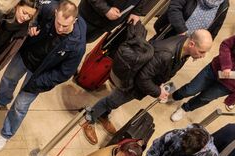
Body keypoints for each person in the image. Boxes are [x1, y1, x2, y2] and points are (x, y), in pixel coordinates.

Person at [0, 0, 87, 152]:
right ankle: (1, 101)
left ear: (74, 21)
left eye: (65, 26)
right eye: (58, 23)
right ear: (55, 13)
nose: (60, 28)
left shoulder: (77, 45)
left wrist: (40, 83)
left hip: (41, 74)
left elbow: (64, 73)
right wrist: (33, 24)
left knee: (20, 106)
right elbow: (35, 13)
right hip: (25, 55)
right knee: (8, 79)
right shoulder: (48, 8)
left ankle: (5, 134)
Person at [82, 30, 213, 144]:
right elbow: (142, 78)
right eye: (201, 52)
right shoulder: (166, 54)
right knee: (111, 101)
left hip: (142, 82)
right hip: (132, 83)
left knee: (115, 102)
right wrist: (158, 91)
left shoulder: (184, 45)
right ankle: (89, 120)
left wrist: (160, 82)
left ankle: (103, 115)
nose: (203, 56)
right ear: (191, 44)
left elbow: (161, 70)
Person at [152, 0, 228, 41]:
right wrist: (182, 31)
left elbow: (215, 28)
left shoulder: (224, 4)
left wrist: (201, 46)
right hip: (167, 35)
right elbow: (174, 8)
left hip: (189, 47)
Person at [78, 0, 147, 43]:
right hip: (89, 15)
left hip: (106, 25)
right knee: (74, 40)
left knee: (84, 42)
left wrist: (136, 12)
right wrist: (105, 9)